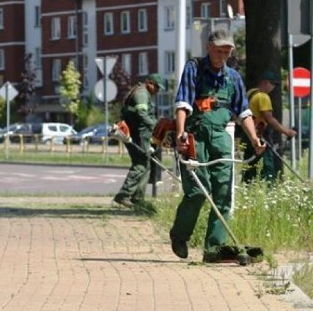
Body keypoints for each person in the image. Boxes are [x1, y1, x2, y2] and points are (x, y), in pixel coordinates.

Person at [169, 28, 265, 262]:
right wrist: (181, 134)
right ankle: (179, 234)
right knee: (197, 190)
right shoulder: (195, 68)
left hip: (221, 137)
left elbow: (243, 111)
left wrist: (254, 139)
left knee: (223, 194)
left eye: (227, 51)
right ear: (209, 48)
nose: (222, 55)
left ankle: (213, 249)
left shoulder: (233, 77)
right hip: (195, 134)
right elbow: (183, 103)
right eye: (218, 50)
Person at [113, 73, 165, 209]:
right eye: (157, 87)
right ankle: (123, 195)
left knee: (146, 164)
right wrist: (156, 126)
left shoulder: (140, 91)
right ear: (149, 83)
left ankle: (137, 198)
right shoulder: (142, 94)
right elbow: (142, 115)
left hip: (138, 133)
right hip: (138, 134)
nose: (158, 91)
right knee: (141, 163)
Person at [242, 70, 296, 183]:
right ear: (266, 82)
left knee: (250, 166)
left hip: (248, 134)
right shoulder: (263, 97)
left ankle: (248, 187)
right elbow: (270, 119)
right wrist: (287, 132)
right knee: (266, 167)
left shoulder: (250, 93)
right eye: (273, 84)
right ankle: (267, 190)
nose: (273, 87)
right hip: (260, 136)